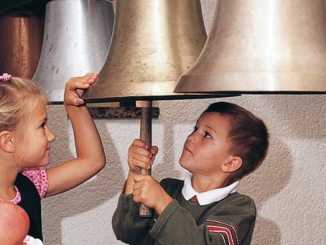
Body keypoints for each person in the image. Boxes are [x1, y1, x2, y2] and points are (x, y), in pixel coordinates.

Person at [112, 101, 269, 245]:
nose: (191, 137)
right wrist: (136, 172)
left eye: (207, 135)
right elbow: (127, 233)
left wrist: (162, 203)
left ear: (230, 163)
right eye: (195, 129)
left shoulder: (239, 208)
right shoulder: (168, 189)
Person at [0, 72, 106, 241]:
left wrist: (74, 107)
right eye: (42, 125)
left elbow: (92, 160)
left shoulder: (30, 184)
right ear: (9, 141)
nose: (52, 136)